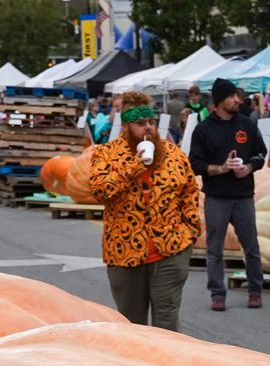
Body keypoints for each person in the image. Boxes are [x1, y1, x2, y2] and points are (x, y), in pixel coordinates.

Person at [85, 90, 199, 329]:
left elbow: (189, 193)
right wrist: (135, 165)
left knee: (167, 324)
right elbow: (99, 191)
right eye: (140, 123)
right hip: (125, 254)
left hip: (170, 250)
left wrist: (189, 234)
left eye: (151, 122)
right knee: (132, 326)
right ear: (126, 126)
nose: (147, 128)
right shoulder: (106, 154)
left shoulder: (173, 155)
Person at [189, 78, 266, 311]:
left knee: (251, 245)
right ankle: (217, 293)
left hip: (243, 195)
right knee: (214, 248)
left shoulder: (247, 125)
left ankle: (255, 290)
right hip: (217, 197)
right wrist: (220, 168)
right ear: (221, 100)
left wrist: (249, 168)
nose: (238, 100)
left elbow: (260, 154)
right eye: (233, 96)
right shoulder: (203, 129)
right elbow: (195, 164)